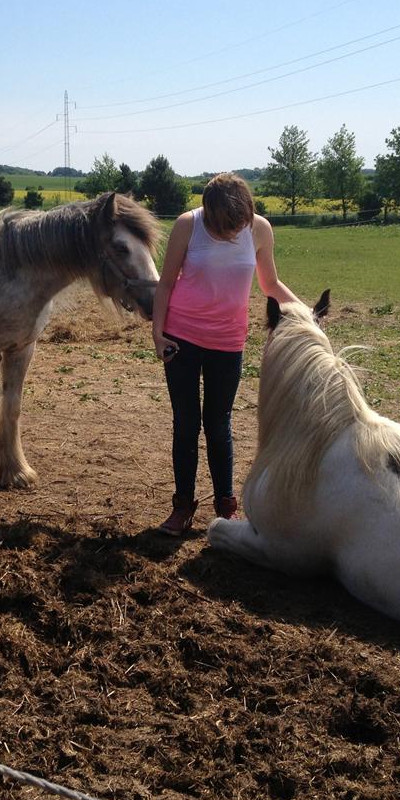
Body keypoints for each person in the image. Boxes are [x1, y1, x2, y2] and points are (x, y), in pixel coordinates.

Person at [152, 172, 298, 536]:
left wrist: (306, 313)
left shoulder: (259, 229)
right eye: (222, 227)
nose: (231, 233)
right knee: (186, 424)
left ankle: (225, 508)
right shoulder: (188, 225)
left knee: (219, 425)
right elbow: (166, 282)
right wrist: (157, 334)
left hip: (227, 341)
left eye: (237, 226)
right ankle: (182, 507)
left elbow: (270, 284)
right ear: (208, 212)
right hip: (181, 338)